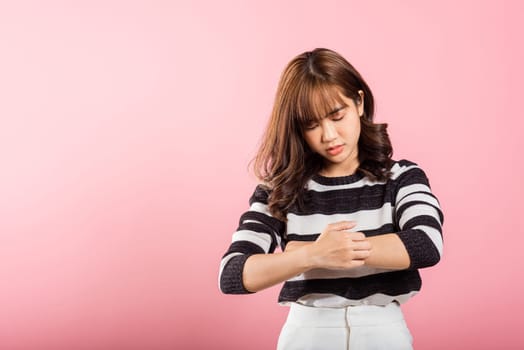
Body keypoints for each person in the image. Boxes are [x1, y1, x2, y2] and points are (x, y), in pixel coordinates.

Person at [218, 48, 443, 350]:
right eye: (311, 125)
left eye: (337, 115)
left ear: (359, 103)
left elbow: (426, 243)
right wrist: (312, 255)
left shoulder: (402, 176)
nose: (329, 135)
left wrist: (317, 252)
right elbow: (233, 273)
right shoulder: (279, 189)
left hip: (383, 332)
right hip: (306, 334)